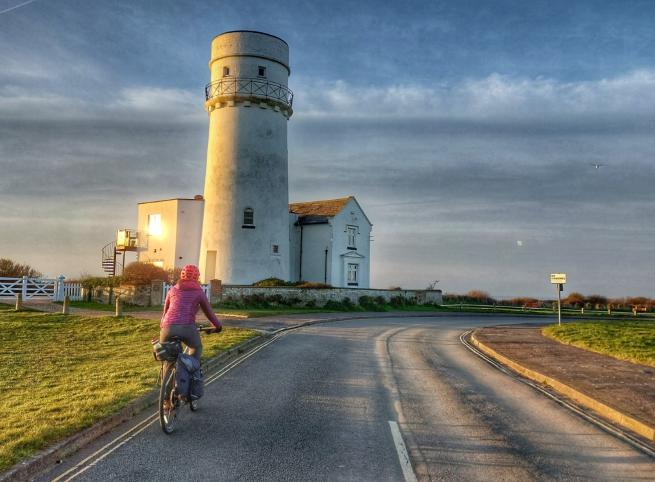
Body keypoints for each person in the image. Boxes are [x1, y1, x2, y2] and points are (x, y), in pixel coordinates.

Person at [160, 264, 222, 361]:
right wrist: (217, 326)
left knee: (166, 356)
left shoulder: (172, 290)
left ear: (182, 275)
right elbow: (209, 312)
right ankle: (191, 371)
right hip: (187, 327)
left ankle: (166, 374)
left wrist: (162, 325)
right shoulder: (199, 292)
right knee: (196, 348)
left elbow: (165, 312)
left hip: (167, 327)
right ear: (197, 277)